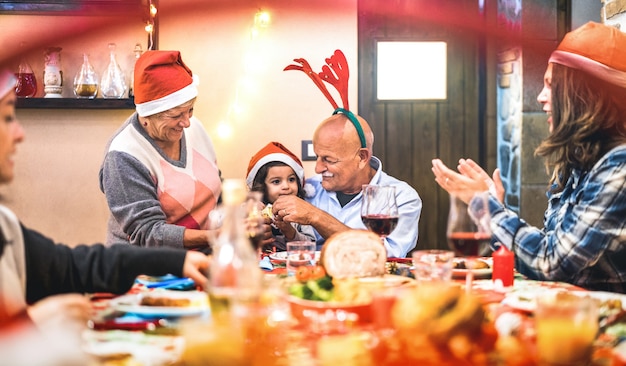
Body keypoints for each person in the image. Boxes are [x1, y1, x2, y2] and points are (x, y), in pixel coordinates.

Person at [0, 70, 209, 348]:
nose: (20, 133)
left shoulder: (5, 225)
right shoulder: (123, 154)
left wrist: (177, 262)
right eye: (7, 118)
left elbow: (75, 267)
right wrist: (29, 325)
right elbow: (146, 231)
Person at [432, 22, 626, 293]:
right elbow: (552, 246)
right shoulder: (580, 160)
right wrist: (495, 208)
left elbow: (549, 264)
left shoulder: (619, 167)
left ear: (583, 94)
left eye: (550, 85)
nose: (540, 97)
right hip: (570, 316)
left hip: (608, 327)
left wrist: (484, 205)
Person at [99, 50, 223, 250]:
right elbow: (148, 233)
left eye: (190, 110)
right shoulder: (123, 155)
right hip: (149, 268)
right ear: (147, 116)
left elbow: (215, 187)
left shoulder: (193, 127)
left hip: (203, 255)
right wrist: (215, 236)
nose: (186, 122)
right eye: (175, 116)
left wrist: (242, 214)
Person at [271, 111, 422, 258]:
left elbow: (385, 254)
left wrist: (316, 217)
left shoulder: (402, 196)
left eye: (329, 160)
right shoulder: (306, 189)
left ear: (362, 157)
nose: (318, 168)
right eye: (317, 156)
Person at [246, 141, 316, 252]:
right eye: (276, 181)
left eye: (291, 179)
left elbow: (311, 246)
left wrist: (290, 232)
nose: (286, 186)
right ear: (262, 187)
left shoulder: (300, 213)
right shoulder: (253, 210)